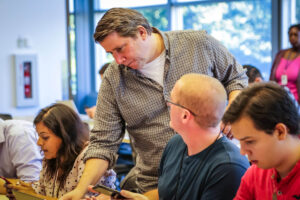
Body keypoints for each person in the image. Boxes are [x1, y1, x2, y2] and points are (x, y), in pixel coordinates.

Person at [60, 8, 248, 199]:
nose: (118, 60)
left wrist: (232, 111)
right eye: (111, 53)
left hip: (212, 171)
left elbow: (236, 78)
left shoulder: (197, 44)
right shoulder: (115, 77)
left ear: (142, 32)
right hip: (154, 184)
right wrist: (80, 189)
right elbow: (103, 143)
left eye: (120, 49)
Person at [88, 74, 250, 200]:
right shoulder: (176, 143)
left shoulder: (229, 168)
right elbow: (167, 194)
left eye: (171, 102)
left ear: (185, 116)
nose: (167, 105)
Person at [16, 103, 116, 198]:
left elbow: (86, 197)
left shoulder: (88, 159)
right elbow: (43, 191)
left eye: (45, 137)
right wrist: (27, 192)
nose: (39, 142)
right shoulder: (51, 158)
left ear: (65, 136)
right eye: (39, 136)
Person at [222, 82, 300, 199]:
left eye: (249, 142)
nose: (243, 152)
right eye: (240, 143)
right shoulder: (254, 175)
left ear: (280, 132)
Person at [270, 23, 300, 104]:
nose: (293, 37)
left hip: (295, 102)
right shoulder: (281, 54)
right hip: (278, 99)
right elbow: (272, 77)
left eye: (295, 35)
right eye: (290, 35)